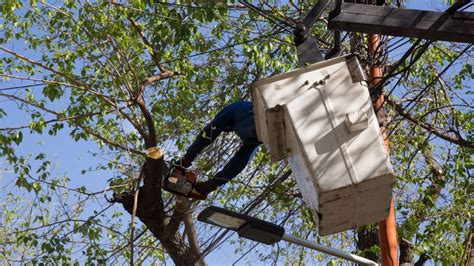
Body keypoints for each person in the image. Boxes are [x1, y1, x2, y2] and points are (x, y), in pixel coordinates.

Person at [174, 101, 261, 198]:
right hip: (270, 130)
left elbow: (208, 134)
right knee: (246, 153)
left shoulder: (233, 108)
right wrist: (212, 184)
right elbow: (240, 162)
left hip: (258, 115)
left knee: (211, 132)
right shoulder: (256, 138)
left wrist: (185, 160)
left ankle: (184, 163)